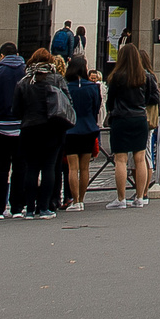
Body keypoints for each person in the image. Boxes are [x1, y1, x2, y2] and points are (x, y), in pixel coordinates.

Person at [103, 47, 159, 209]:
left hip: (121, 118)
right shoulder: (145, 77)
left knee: (120, 159)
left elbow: (110, 100)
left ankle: (121, 198)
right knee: (140, 158)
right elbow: (149, 98)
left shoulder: (116, 77)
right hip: (140, 118)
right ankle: (140, 197)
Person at [20, 49, 72, 218]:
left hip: (29, 128)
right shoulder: (57, 79)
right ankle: (44, 207)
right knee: (49, 167)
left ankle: (29, 208)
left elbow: (15, 108)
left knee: (32, 168)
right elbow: (68, 102)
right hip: (52, 128)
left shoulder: (25, 81)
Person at [0, 42, 29, 218]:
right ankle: (17, 206)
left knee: (2, 168)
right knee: (20, 167)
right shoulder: (26, 72)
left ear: (2, 56)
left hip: (1, 125)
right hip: (22, 125)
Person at [62, 53, 102, 211]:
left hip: (71, 129)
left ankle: (75, 199)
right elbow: (96, 108)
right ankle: (82, 199)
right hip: (88, 127)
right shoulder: (93, 86)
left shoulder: (66, 87)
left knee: (73, 167)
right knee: (85, 167)